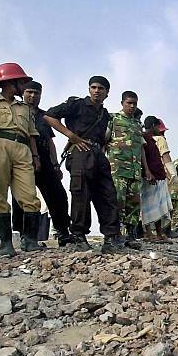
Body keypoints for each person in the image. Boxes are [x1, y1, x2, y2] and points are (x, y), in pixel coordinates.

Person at [44, 75, 124, 253]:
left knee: (108, 194)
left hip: (98, 154)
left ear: (107, 93)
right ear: (89, 89)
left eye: (101, 88)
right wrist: (71, 136)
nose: (97, 91)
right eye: (94, 87)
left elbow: (103, 138)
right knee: (81, 194)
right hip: (80, 152)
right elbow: (49, 116)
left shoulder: (104, 115)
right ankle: (79, 236)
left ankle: (111, 238)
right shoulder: (76, 104)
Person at [0, 63, 43, 256]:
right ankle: (6, 244)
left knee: (29, 196)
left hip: (23, 148)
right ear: (10, 82)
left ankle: (30, 241)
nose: (24, 85)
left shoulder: (25, 108)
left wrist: (36, 156)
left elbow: (31, 134)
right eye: (21, 81)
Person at [10, 80, 72, 247]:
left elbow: (50, 142)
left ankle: (63, 232)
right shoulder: (14, 111)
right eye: (29, 92)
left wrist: (55, 164)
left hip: (44, 158)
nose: (32, 96)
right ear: (23, 93)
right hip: (21, 158)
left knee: (58, 195)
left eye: (36, 93)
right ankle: (25, 235)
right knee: (21, 199)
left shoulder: (45, 116)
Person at [107, 91, 146, 249]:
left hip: (135, 170)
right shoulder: (114, 119)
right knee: (118, 201)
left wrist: (146, 169)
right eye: (129, 103)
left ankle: (131, 236)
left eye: (134, 104)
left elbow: (141, 149)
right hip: (118, 169)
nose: (132, 106)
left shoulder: (137, 124)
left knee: (134, 204)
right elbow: (104, 140)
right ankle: (115, 235)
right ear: (122, 103)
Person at [144, 116, 178, 238]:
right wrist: (173, 173)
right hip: (159, 175)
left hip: (146, 175)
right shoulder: (160, 139)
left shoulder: (143, 138)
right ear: (155, 126)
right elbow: (166, 157)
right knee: (161, 204)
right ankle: (163, 232)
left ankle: (148, 232)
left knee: (147, 205)